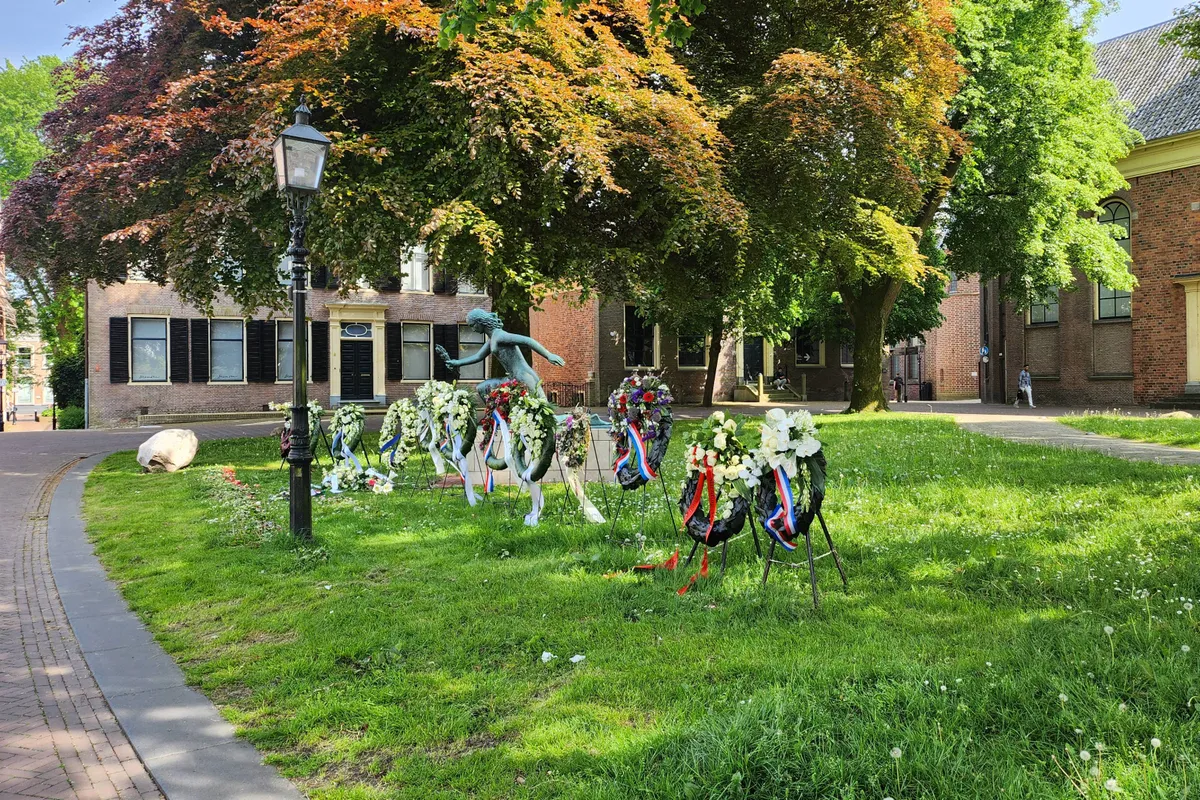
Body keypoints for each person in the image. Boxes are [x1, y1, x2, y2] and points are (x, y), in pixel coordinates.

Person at [437, 308, 566, 400]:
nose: (473, 329)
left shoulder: (500, 336)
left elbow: (528, 341)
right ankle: (497, 420)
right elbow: (478, 356)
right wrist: (456, 363)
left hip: (523, 376)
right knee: (482, 388)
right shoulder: (492, 339)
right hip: (511, 379)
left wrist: (549, 355)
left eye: (473, 325)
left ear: (480, 322)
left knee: (542, 408)